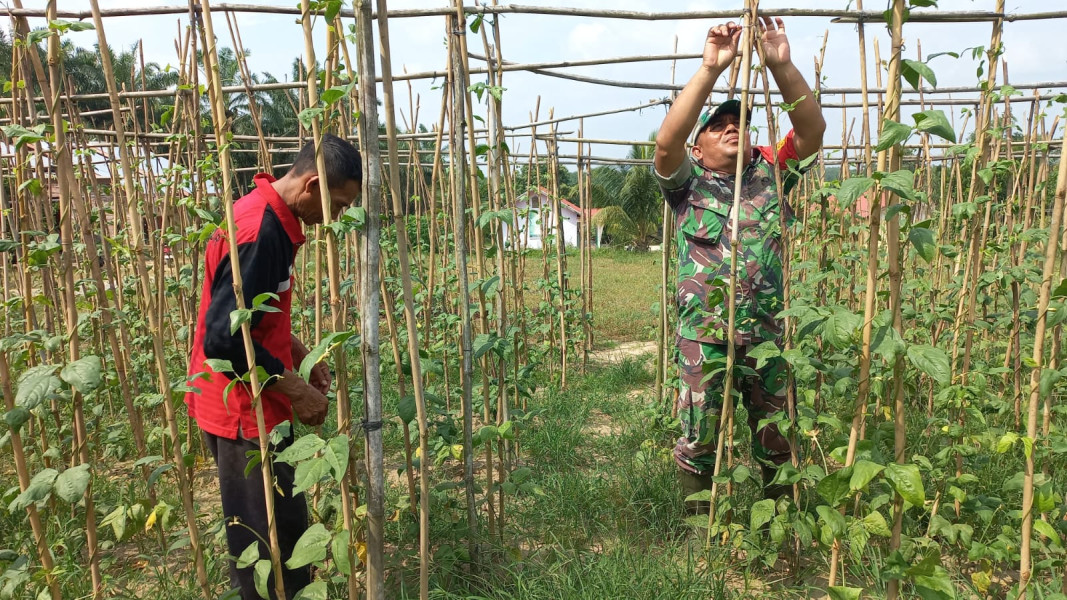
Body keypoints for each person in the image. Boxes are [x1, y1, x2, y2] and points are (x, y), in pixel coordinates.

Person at [653, 18, 825, 512]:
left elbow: (812, 131)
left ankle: (778, 525)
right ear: (698, 146)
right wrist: (710, 68)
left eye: (740, 122)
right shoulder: (686, 184)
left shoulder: (773, 173)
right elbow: (665, 144)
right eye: (718, 124)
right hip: (703, 333)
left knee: (777, 436)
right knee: (698, 437)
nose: (732, 126)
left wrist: (782, 65)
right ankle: (698, 530)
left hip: (767, 335)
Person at [185, 133, 362, 598]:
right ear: (310, 187)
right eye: (338, 204)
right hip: (244, 413)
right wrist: (297, 391)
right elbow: (223, 341)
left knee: (284, 531)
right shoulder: (259, 232)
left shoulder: (274, 221)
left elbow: (253, 316)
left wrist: (298, 353)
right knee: (265, 549)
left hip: (258, 403)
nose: (336, 218)